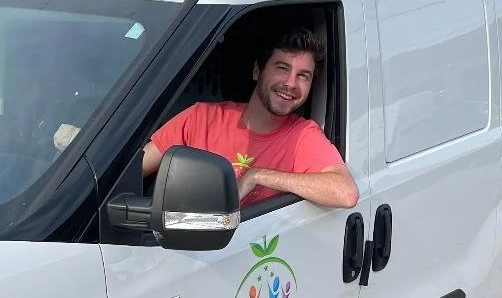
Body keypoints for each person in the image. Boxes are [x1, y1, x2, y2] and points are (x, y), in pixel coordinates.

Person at [141, 29, 359, 209]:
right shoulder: (202, 117)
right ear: (257, 71)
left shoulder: (302, 135)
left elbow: (345, 193)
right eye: (282, 68)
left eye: (303, 76)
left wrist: (257, 176)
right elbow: (135, 169)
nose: (291, 84)